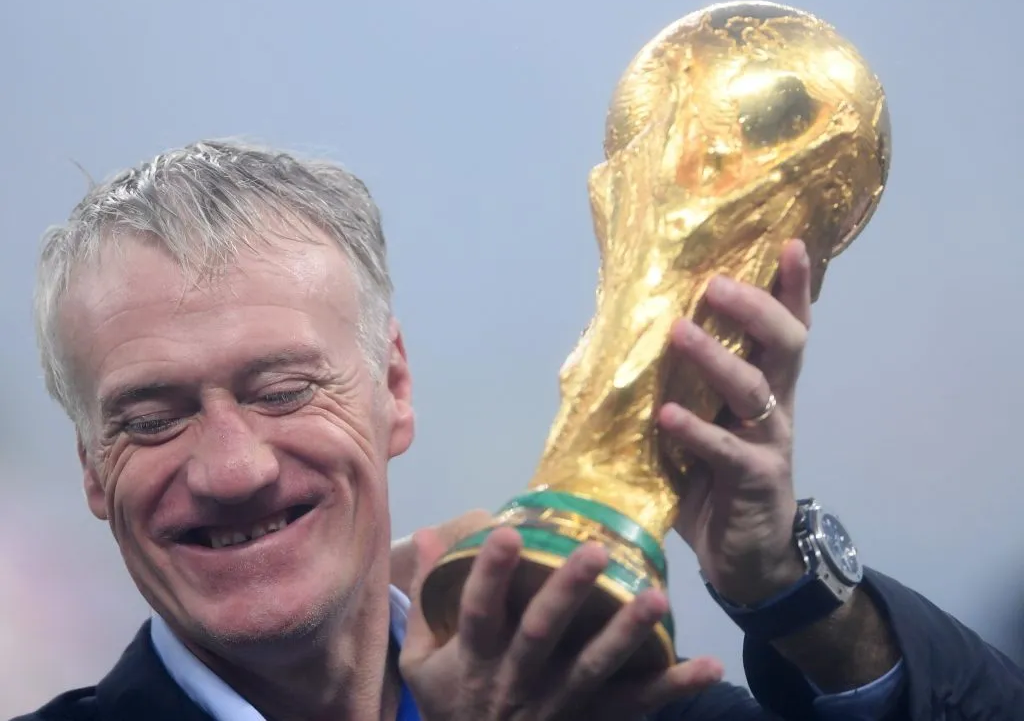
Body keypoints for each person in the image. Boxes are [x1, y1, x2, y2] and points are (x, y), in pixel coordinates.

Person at [13, 140, 1023, 721]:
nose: (231, 467)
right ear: (92, 470)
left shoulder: (628, 705)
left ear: (394, 388)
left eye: (281, 390)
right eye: (152, 418)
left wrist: (791, 592)